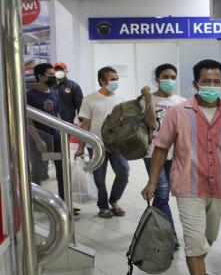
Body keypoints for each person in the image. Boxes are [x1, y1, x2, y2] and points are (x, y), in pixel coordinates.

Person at [141, 59, 221, 275]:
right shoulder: (178, 112)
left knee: (208, 237)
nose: (211, 86)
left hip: (219, 186)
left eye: (216, 81)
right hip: (187, 186)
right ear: (196, 83)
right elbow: (161, 147)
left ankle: (198, 266)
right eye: (206, 81)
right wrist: (152, 182)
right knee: (194, 241)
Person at [75, 66, 152, 218]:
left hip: (117, 145)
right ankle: (103, 206)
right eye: (112, 79)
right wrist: (81, 147)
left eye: (117, 79)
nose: (116, 82)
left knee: (123, 173)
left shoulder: (120, 100)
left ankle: (114, 200)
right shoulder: (90, 99)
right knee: (99, 178)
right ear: (102, 81)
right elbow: (85, 125)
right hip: (96, 145)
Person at [142, 63, 186, 249]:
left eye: (173, 77)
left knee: (163, 197)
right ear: (157, 78)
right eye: (165, 76)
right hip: (152, 153)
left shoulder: (182, 102)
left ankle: (161, 230)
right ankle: (171, 236)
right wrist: (147, 98)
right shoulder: (145, 99)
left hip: (175, 155)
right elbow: (151, 123)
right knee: (161, 193)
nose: (169, 80)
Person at [27, 63, 64, 200]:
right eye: (50, 74)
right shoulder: (30, 95)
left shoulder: (54, 93)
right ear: (40, 76)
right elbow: (29, 120)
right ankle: (36, 201)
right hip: (39, 140)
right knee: (38, 171)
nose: (53, 77)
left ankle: (64, 200)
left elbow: (57, 115)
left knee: (61, 170)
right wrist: (38, 140)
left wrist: (62, 134)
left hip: (55, 139)